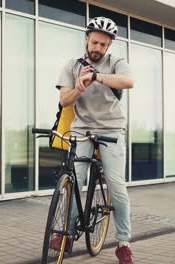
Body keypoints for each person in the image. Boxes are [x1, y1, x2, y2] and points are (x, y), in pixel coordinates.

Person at [55, 17, 135, 264]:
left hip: (112, 129)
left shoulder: (116, 63)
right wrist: (79, 87)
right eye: (95, 42)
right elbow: (64, 100)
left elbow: (128, 81)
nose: (98, 48)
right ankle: (65, 234)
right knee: (74, 182)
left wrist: (97, 77)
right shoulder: (72, 65)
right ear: (86, 38)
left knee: (116, 186)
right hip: (82, 129)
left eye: (103, 44)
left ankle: (123, 243)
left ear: (109, 45)